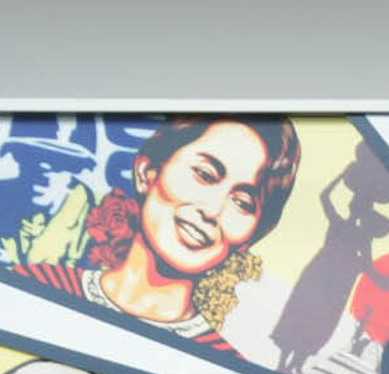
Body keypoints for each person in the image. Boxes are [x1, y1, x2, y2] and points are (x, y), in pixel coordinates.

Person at [21, 114, 303, 350]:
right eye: (204, 175)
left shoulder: (225, 367)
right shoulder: (32, 287)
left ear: (253, 236)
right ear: (148, 172)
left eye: (242, 203)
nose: (212, 210)